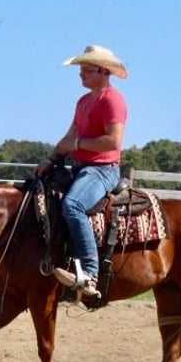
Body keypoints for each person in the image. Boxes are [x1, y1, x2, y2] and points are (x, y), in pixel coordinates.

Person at [33, 45, 128, 297]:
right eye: (81, 70)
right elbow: (70, 135)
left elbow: (113, 141)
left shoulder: (112, 99)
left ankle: (90, 273)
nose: (81, 75)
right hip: (79, 167)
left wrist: (75, 145)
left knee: (72, 205)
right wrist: (50, 160)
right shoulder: (84, 101)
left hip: (102, 169)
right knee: (37, 192)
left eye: (86, 70)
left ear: (102, 71)